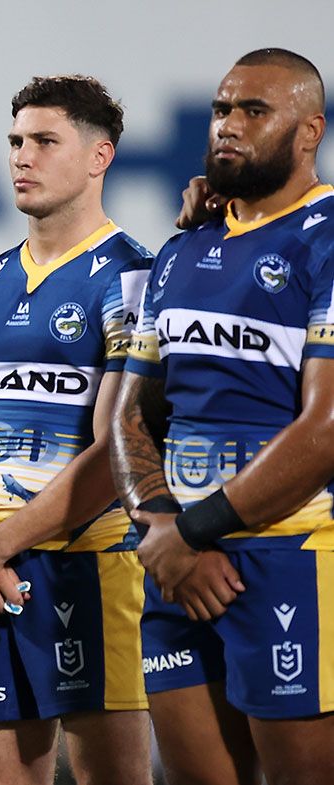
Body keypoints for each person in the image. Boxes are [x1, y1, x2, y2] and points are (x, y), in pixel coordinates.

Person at [0, 76, 152, 785]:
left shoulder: (130, 277)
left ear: (98, 156)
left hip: (88, 565)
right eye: (16, 141)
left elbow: (116, 452)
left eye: (45, 141)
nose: (22, 156)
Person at [113, 47, 334, 785]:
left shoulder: (327, 239)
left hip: (288, 558)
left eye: (254, 111)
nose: (228, 125)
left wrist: (193, 532)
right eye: (221, 108)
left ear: (310, 133)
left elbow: (326, 428)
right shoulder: (183, 249)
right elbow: (128, 417)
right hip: (174, 563)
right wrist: (161, 526)